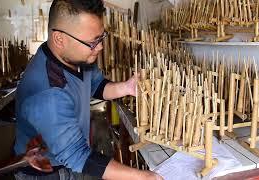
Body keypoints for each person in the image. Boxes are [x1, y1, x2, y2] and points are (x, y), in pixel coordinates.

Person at [14, 0, 163, 179]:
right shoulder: (47, 92)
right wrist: (145, 177)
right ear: (59, 39)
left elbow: (97, 85)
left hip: (68, 161)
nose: (100, 47)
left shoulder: (76, 59)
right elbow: (79, 156)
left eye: (101, 38)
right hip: (45, 172)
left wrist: (126, 87)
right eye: (93, 42)